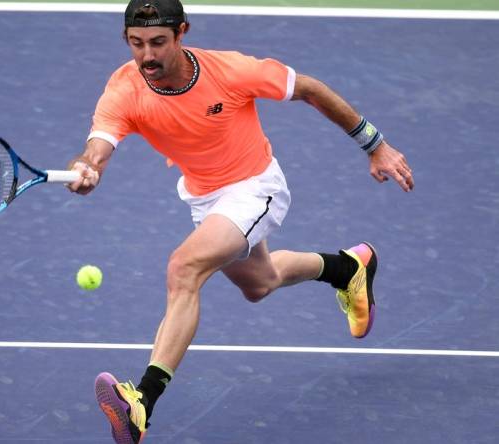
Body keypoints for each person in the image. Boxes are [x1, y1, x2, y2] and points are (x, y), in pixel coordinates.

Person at [66, 1, 414, 442]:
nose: (148, 56)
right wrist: (89, 167)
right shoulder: (124, 88)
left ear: (181, 33)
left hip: (255, 187)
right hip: (204, 198)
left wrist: (375, 145)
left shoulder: (229, 71)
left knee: (184, 267)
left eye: (158, 42)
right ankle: (348, 268)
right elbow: (97, 146)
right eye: (137, 44)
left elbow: (308, 88)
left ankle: (142, 402)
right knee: (260, 283)